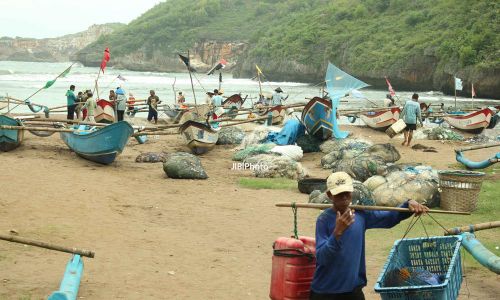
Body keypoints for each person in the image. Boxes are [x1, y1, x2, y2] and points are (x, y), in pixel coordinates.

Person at [310, 172, 428, 300]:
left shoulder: (360, 215)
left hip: (353, 290)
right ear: (329, 195)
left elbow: (388, 218)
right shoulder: (324, 220)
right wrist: (337, 232)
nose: (344, 197)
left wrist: (408, 204)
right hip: (325, 292)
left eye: (347, 192)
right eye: (339, 194)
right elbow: (321, 257)